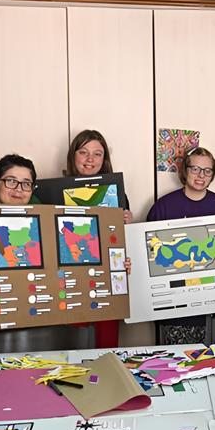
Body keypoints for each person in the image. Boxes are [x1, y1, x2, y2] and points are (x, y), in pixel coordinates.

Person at [146, 147, 215, 343]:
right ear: (185, 171)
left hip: (214, 304)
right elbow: (150, 255)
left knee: (214, 361)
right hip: (174, 307)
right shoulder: (164, 206)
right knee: (177, 364)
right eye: (195, 169)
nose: (201, 175)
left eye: (207, 170)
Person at [66, 129, 132, 348]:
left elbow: (123, 243)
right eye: (83, 152)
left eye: (97, 154)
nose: (90, 159)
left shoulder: (116, 193)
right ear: (73, 155)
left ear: (104, 160)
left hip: (107, 278)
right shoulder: (55, 192)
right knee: (73, 350)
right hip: (71, 279)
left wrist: (127, 226)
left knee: (106, 350)